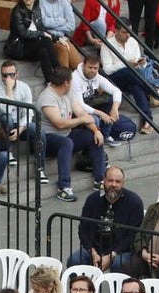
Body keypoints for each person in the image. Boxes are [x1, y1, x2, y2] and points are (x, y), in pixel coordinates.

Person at [39, 67, 106, 202]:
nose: (73, 83)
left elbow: (82, 114)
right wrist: (82, 120)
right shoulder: (47, 97)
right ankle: (63, 188)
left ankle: (100, 179)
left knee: (92, 137)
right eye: (71, 80)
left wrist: (96, 130)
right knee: (66, 142)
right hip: (48, 139)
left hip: (66, 134)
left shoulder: (68, 93)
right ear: (65, 83)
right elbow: (59, 124)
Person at [71, 167, 144, 271]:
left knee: (119, 264)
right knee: (75, 260)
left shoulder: (134, 202)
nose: (113, 185)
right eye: (110, 180)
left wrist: (112, 255)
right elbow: (83, 230)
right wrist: (92, 251)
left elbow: (133, 236)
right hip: (94, 248)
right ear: (104, 180)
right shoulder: (92, 199)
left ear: (123, 183)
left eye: (117, 181)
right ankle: (82, 287)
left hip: (121, 251)